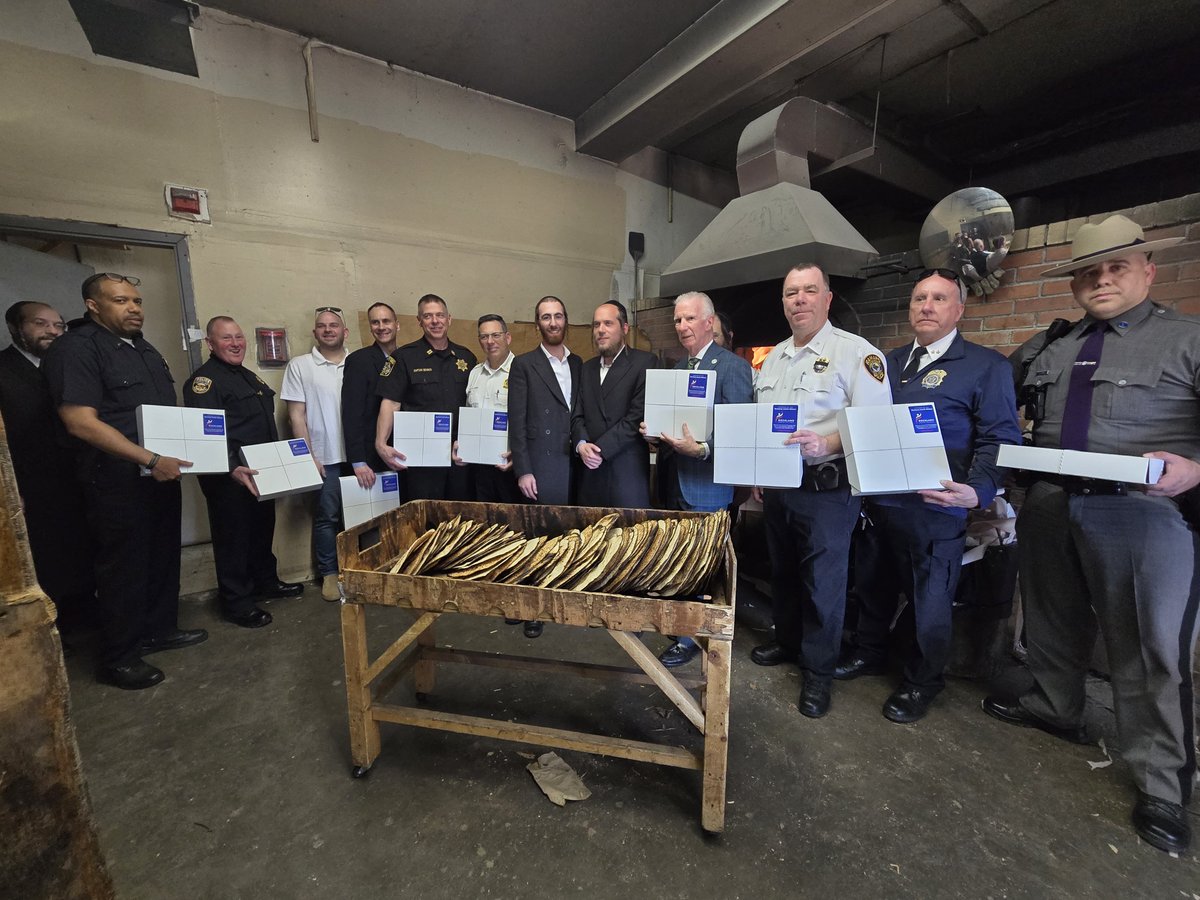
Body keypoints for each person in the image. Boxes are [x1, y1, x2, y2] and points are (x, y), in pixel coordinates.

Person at [981, 215, 1200, 854]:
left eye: (1117, 267)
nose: (1102, 279)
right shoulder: (1053, 344)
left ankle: (1162, 780)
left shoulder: (1186, 340)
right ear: (1075, 281)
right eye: (1089, 271)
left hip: (1142, 512)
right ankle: (1055, 709)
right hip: (1050, 502)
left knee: (1151, 643)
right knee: (1052, 617)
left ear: (1147, 271)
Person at [835, 269, 1021, 723]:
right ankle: (870, 652)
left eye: (939, 298)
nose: (927, 306)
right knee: (873, 587)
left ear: (959, 309)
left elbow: (1000, 437)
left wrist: (976, 492)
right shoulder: (886, 363)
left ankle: (922, 681)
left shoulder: (985, 366)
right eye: (919, 298)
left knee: (929, 601)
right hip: (879, 505)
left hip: (936, 510)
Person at [42, 273, 206, 690]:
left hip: (160, 476)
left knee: (161, 556)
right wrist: (150, 458)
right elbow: (80, 423)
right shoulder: (76, 349)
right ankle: (120, 657)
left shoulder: (144, 349)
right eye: (121, 300)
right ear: (93, 305)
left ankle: (158, 630)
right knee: (124, 568)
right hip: (116, 481)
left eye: (137, 300)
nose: (134, 308)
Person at [750, 263, 892, 718]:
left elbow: (876, 426)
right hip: (778, 487)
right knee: (784, 575)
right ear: (784, 302)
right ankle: (787, 643)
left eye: (810, 291)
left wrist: (828, 442)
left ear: (827, 299)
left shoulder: (858, 354)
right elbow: (761, 423)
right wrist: (756, 469)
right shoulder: (772, 358)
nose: (800, 300)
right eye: (792, 292)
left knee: (823, 587)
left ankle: (818, 673)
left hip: (828, 491)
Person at [641, 291, 753, 667]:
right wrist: (654, 433)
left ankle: (693, 637)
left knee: (700, 565)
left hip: (706, 484)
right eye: (677, 320)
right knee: (678, 558)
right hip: (672, 480)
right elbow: (672, 426)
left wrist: (703, 449)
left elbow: (741, 432)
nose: (682, 327)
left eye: (690, 319)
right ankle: (682, 624)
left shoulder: (733, 369)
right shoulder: (676, 370)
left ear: (709, 323)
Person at [184, 316, 303, 629]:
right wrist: (229, 465)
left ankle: (265, 582)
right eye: (226, 338)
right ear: (210, 344)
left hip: (260, 470)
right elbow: (203, 433)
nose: (235, 343)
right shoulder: (204, 382)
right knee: (233, 539)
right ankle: (236, 602)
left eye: (238, 337)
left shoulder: (249, 377)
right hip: (230, 476)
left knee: (262, 531)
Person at [1, 301, 96, 634]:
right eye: (41, 324)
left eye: (58, 325)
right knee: (44, 558)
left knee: (82, 551)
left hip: (77, 477)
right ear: (16, 328)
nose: (52, 331)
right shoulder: (3, 369)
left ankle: (83, 620)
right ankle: (50, 629)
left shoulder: (70, 366)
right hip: (30, 484)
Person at [374, 294, 477, 500]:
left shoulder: (466, 357)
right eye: (428, 316)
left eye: (440, 315)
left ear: (449, 319)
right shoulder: (404, 357)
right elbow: (391, 402)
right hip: (421, 457)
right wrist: (380, 443)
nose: (435, 321)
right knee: (424, 517)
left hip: (459, 454)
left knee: (461, 516)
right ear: (419, 321)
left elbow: (475, 404)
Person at [281, 307, 349, 602]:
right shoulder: (300, 365)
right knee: (327, 518)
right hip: (325, 457)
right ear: (315, 332)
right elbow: (296, 415)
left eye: (334, 325)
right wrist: (308, 456)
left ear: (344, 331)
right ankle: (329, 574)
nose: (328, 329)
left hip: (358, 457)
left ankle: (359, 570)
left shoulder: (358, 363)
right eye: (322, 326)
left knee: (364, 517)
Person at [571, 300, 655, 508]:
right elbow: (577, 414)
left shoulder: (645, 363)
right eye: (596, 324)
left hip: (626, 476)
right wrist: (581, 445)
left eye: (608, 323)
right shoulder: (586, 368)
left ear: (624, 328)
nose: (601, 330)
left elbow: (635, 417)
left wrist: (598, 450)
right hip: (589, 474)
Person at [509, 296, 582, 507]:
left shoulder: (577, 363)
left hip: (576, 462)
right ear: (537, 325)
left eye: (558, 316)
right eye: (546, 317)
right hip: (542, 465)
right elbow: (517, 423)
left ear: (566, 321)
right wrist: (523, 471)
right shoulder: (523, 365)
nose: (553, 323)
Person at [454, 314, 521, 503]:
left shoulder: (523, 371)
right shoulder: (474, 374)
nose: (490, 341)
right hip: (478, 469)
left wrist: (519, 455)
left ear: (507, 338)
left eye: (495, 335)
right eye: (484, 337)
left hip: (509, 465)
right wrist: (462, 446)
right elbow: (469, 417)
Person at [342, 301, 398, 491]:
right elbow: (351, 413)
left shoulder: (405, 358)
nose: (381, 327)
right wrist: (358, 461)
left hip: (399, 453)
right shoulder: (359, 361)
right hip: (370, 458)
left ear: (396, 324)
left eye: (386, 321)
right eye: (375, 322)